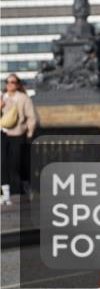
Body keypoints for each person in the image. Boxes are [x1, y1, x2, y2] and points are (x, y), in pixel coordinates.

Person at [1, 74, 38, 205]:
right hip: (3, 134)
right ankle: (7, 193)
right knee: (4, 164)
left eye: (13, 82)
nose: (10, 84)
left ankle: (24, 189)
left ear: (17, 84)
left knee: (18, 163)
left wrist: (29, 134)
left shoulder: (23, 98)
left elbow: (31, 117)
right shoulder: (2, 97)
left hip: (18, 134)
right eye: (7, 82)